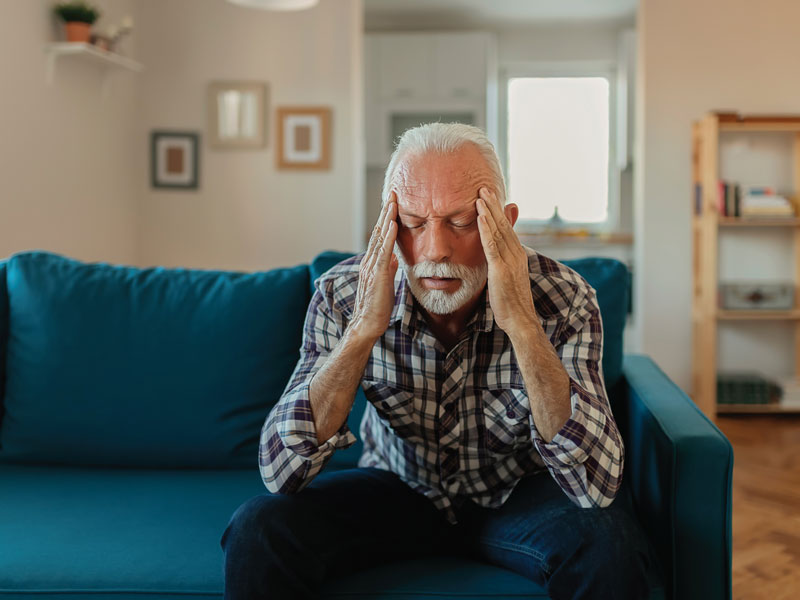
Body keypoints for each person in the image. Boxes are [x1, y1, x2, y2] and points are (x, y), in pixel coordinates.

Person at [220, 123, 656, 599]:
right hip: (397, 491)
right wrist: (364, 328)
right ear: (387, 224)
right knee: (257, 528)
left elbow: (595, 485)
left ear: (504, 222)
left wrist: (524, 326)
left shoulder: (565, 297)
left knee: (611, 543)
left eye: (462, 222)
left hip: (516, 495)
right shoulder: (341, 295)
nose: (435, 250)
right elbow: (280, 473)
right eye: (413, 223)